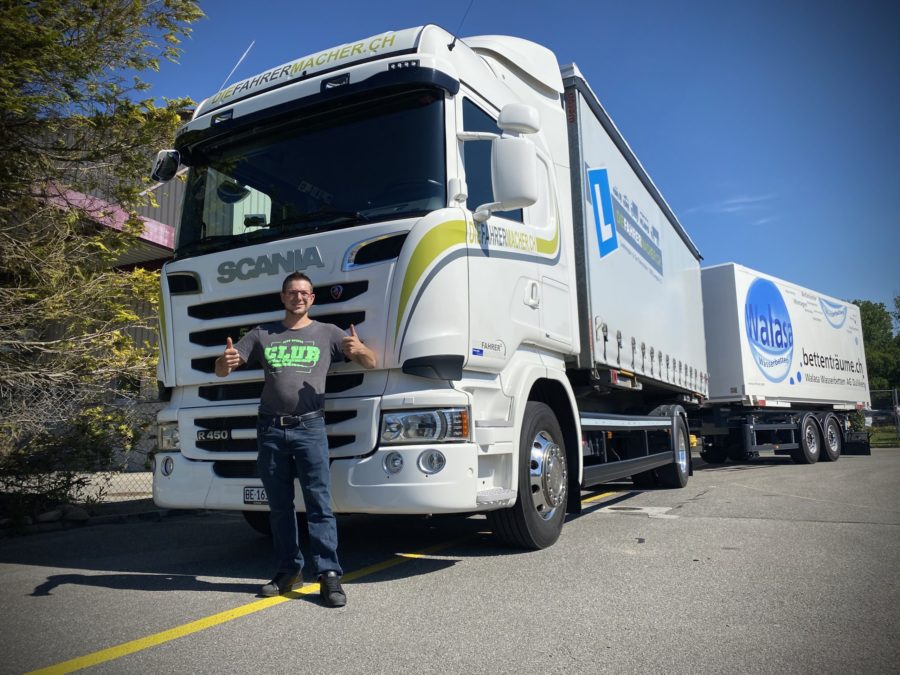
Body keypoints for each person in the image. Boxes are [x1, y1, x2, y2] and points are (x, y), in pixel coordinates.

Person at [215, 271, 376, 607]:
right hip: (270, 429)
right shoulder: (262, 333)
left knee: (319, 503)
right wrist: (223, 362)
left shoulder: (328, 333)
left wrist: (359, 349)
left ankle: (328, 574)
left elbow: (370, 362)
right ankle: (289, 570)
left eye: (304, 293)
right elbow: (222, 369)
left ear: (312, 298)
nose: (298, 297)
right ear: (283, 297)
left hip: (310, 428)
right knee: (279, 507)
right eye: (292, 292)